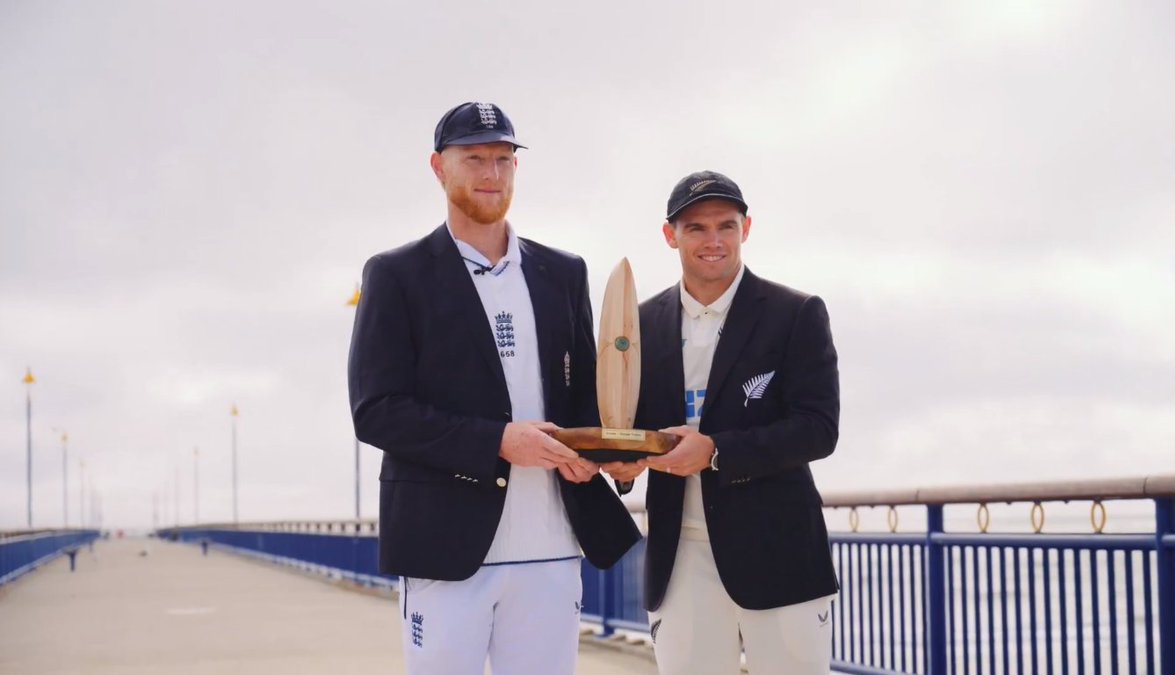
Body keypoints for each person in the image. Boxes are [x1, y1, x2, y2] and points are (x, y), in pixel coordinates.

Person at [348, 101, 640, 675]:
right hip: (445, 549)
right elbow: (376, 411)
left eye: (504, 159)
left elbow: (584, 398)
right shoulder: (396, 275)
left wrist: (608, 454)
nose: (492, 174)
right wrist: (497, 442)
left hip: (554, 547)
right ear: (439, 167)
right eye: (475, 158)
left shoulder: (563, 272)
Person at [602, 170, 841, 674]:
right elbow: (632, 423)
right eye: (696, 228)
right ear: (671, 235)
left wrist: (715, 452)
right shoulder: (639, 324)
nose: (713, 241)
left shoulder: (795, 313)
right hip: (678, 558)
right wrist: (623, 464)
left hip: (779, 551)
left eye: (725, 226)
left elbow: (819, 427)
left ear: (746, 229)